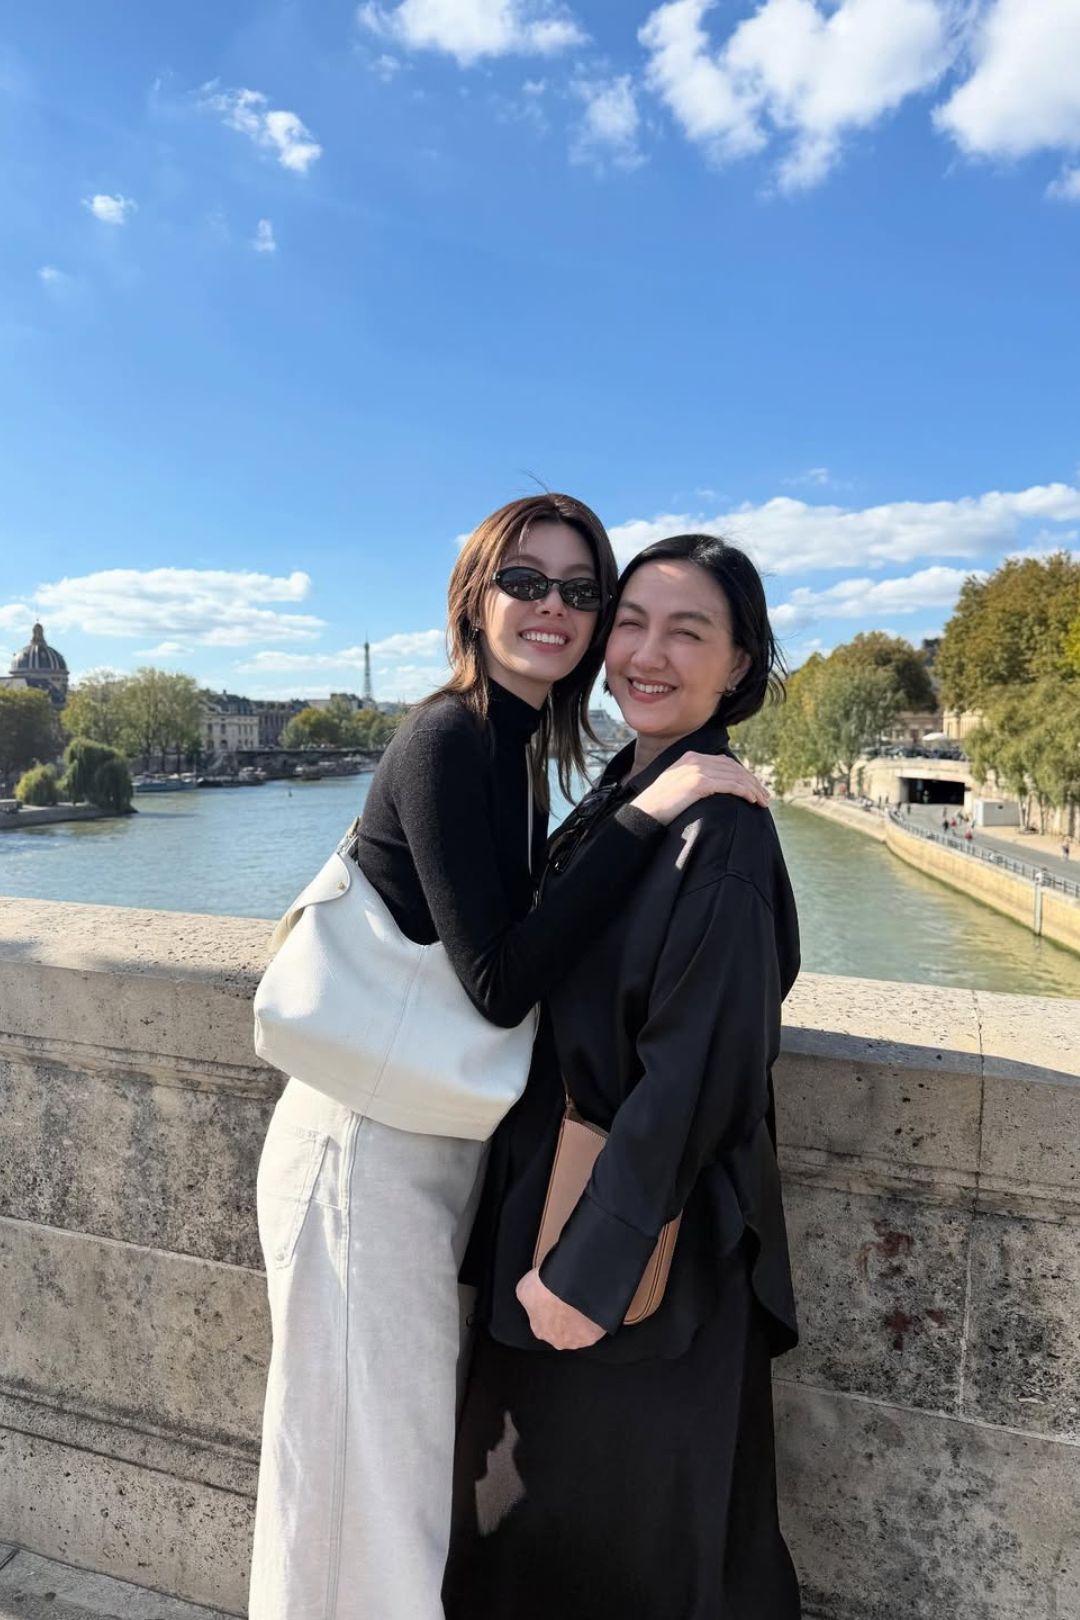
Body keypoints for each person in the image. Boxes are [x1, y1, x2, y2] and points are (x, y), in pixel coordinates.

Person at [248, 497, 768, 1620]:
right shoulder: (451, 737)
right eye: (525, 582)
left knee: (387, 1482)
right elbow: (499, 981)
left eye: (581, 591)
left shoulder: (522, 752)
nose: (554, 608)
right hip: (367, 1149)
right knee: (362, 1492)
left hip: (425, 1147)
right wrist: (657, 802)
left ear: (737, 665)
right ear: (473, 597)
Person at [445, 533, 802, 1620]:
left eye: (687, 632)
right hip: (570, 1219)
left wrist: (588, 1275)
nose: (646, 654)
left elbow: (699, 1077)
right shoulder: (633, 793)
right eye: (631, 623)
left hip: (636, 1259)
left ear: (738, 667)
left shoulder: (723, 837)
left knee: (615, 1553)